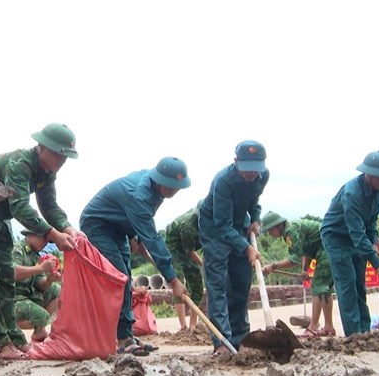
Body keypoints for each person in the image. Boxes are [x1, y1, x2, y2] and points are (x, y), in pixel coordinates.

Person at [0, 123, 80, 360]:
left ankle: (13, 338)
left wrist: (67, 228)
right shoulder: (21, 163)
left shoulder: (46, 172)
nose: (62, 160)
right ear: (42, 147)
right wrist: (54, 235)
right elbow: (21, 207)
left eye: (65, 156)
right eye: (58, 153)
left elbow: (49, 206)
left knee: (6, 279)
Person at [80, 157, 190, 356]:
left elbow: (138, 220)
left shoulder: (154, 188)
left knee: (127, 277)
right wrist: (173, 280)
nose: (175, 191)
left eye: (177, 187)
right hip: (98, 224)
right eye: (171, 187)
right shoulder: (139, 195)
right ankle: (122, 338)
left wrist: (134, 236)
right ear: (160, 181)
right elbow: (153, 238)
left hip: (120, 225)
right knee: (120, 278)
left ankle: (127, 333)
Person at [199, 140, 268, 355]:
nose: (251, 175)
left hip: (239, 226)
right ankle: (222, 342)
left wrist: (255, 218)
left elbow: (253, 201)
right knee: (218, 286)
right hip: (215, 229)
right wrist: (247, 248)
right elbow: (222, 225)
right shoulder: (223, 181)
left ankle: (240, 337)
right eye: (247, 170)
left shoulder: (262, 176)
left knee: (241, 282)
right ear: (236, 161)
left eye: (255, 170)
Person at [320, 151, 379, 336]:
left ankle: (365, 331)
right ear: (368, 174)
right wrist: (377, 263)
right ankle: (354, 335)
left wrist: (374, 242)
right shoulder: (352, 192)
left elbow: (371, 221)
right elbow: (356, 231)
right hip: (337, 236)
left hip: (358, 237)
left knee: (360, 284)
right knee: (348, 283)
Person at [261, 212, 336, 338]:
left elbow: (293, 260)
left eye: (270, 230)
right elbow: (307, 251)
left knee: (318, 287)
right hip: (326, 248)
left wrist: (273, 266)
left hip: (328, 249)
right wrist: (304, 270)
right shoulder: (292, 230)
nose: (270, 234)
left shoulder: (292, 231)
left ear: (278, 226)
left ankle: (313, 327)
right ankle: (329, 327)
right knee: (324, 290)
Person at [13, 231, 62, 343]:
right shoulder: (17, 249)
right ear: (32, 234)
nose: (45, 243)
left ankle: (39, 332)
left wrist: (50, 279)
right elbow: (13, 272)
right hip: (12, 298)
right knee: (42, 316)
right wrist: (40, 268)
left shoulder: (35, 255)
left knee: (57, 290)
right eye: (44, 238)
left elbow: (39, 285)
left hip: (27, 295)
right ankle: (8, 325)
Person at [164, 202, 204, 331]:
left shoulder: (209, 223)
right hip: (174, 246)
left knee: (197, 283)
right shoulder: (189, 226)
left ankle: (193, 325)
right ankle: (183, 326)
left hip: (188, 247)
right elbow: (190, 252)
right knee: (178, 283)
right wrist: (204, 265)